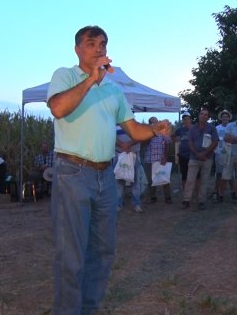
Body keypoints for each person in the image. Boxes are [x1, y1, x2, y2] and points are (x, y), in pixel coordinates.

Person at [46, 25, 171, 314]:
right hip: (73, 173)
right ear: (78, 49)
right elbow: (58, 108)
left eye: (102, 43)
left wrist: (155, 129)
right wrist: (92, 78)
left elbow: (133, 129)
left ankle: (88, 309)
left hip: (106, 175)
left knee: (102, 252)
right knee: (71, 255)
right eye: (92, 44)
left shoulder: (114, 90)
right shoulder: (64, 76)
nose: (99, 48)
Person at [181, 108, 219, 210]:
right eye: (202, 113)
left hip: (207, 158)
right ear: (199, 115)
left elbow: (215, 142)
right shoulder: (193, 128)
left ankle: (202, 201)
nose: (203, 116)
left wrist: (204, 153)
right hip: (194, 157)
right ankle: (186, 200)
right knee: (190, 179)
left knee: (204, 180)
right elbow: (190, 143)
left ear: (208, 117)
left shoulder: (212, 128)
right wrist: (197, 154)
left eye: (206, 114)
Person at [115, 125, 144, 213]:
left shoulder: (137, 125)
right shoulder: (114, 126)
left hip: (134, 155)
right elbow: (112, 137)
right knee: (119, 181)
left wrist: (128, 145)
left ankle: (136, 204)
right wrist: (122, 145)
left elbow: (140, 137)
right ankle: (118, 204)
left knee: (135, 181)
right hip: (119, 155)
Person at [144, 116, 172, 204]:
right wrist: (150, 134)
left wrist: (165, 157)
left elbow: (167, 143)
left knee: (164, 178)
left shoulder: (163, 132)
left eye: (156, 122)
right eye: (153, 122)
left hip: (161, 159)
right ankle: (153, 197)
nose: (155, 123)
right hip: (150, 160)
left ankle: (167, 197)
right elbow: (144, 143)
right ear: (150, 124)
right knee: (150, 180)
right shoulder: (147, 133)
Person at [213, 109, 234, 202]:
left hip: (230, 154)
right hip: (219, 153)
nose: (225, 118)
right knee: (219, 173)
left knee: (230, 174)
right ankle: (216, 191)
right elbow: (214, 140)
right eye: (223, 116)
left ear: (229, 118)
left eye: (226, 116)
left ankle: (233, 192)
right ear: (221, 118)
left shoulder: (232, 127)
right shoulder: (217, 128)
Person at [174, 112, 193, 190]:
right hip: (182, 155)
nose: (186, 120)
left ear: (190, 120)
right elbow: (172, 136)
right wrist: (176, 141)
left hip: (193, 155)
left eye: (187, 119)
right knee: (184, 175)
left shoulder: (195, 128)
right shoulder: (180, 130)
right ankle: (185, 190)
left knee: (193, 174)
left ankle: (193, 191)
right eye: (184, 119)